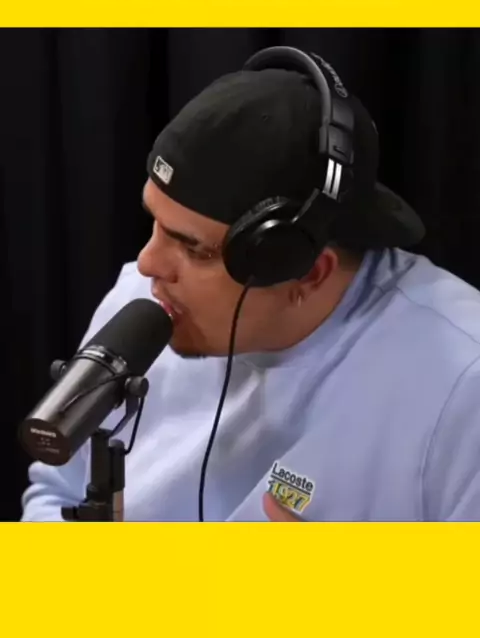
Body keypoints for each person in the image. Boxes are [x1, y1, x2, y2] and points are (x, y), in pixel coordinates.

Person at [20, 48, 480, 522]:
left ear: (304, 269)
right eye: (155, 223)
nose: (147, 263)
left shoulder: (462, 386)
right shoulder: (141, 299)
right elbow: (56, 493)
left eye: (194, 249)